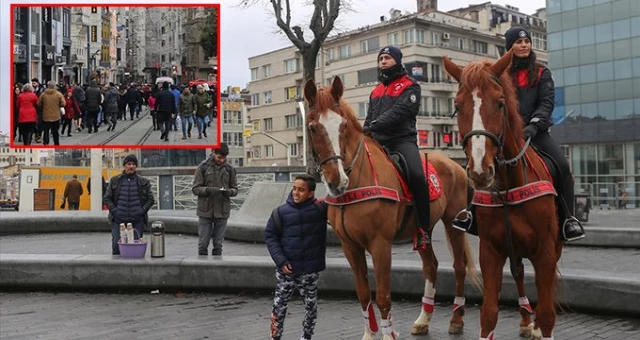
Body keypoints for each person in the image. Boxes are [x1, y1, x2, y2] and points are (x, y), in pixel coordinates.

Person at [452, 27, 585, 242]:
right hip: (505, 136)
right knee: (478, 164)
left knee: (562, 166)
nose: (524, 45)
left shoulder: (542, 73)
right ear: (509, 48)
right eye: (518, 42)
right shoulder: (498, 75)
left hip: (536, 133)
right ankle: (471, 213)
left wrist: (533, 125)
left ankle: (569, 218)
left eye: (527, 42)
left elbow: (546, 103)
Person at [363, 45, 431, 250]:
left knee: (418, 177)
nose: (383, 61)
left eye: (388, 58)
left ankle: (423, 230)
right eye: (381, 58)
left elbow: (401, 112)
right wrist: (365, 130)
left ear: (398, 61)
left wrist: (373, 126)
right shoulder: (376, 91)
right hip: (377, 142)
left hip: (402, 141)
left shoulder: (410, 85)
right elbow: (370, 117)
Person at [264, 174, 328, 340]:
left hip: (309, 271)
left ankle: (306, 337)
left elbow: (339, 201)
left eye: (301, 190)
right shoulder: (280, 212)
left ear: (310, 193)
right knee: (278, 306)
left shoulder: (320, 210)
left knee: (311, 307)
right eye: (294, 188)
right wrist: (281, 261)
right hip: (287, 271)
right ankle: (275, 337)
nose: (296, 193)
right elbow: (270, 236)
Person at [103, 154, 155, 255]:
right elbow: (107, 198)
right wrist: (115, 211)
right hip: (118, 220)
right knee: (116, 247)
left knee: (135, 249)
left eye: (134, 164)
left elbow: (151, 199)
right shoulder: (115, 180)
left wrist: (141, 211)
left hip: (137, 220)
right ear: (124, 165)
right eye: (129, 164)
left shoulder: (143, 182)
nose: (131, 166)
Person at [191, 143, 238, 256]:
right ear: (214, 154)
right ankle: (202, 268)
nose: (221, 160)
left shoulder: (229, 169)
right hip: (205, 211)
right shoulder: (202, 167)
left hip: (222, 210)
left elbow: (235, 189)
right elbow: (195, 189)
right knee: (203, 244)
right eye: (219, 157)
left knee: (218, 245)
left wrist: (228, 192)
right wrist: (208, 190)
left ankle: (217, 270)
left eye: (224, 158)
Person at [37, 81, 66, 146]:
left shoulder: (43, 94)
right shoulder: (58, 94)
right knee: (55, 131)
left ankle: (45, 143)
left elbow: (38, 103)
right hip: (56, 116)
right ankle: (56, 143)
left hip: (46, 116)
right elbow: (63, 103)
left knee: (46, 131)